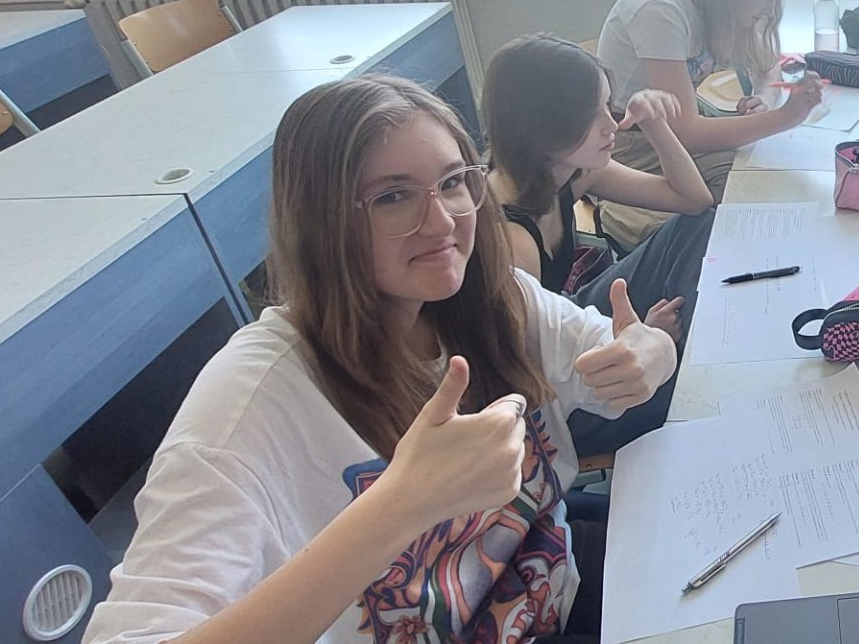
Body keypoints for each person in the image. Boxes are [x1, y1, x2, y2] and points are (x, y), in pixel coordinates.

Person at [85, 76, 676, 644]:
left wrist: (652, 351)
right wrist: (400, 505)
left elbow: (618, 351)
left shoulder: (498, 297)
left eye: (452, 182)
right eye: (393, 197)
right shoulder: (248, 407)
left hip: (552, 584)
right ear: (322, 221)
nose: (442, 221)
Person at [483, 33, 714, 454]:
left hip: (565, 320)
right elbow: (530, 375)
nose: (612, 124)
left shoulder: (569, 171)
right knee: (683, 381)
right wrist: (636, 343)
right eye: (594, 117)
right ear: (543, 128)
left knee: (698, 227)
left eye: (610, 106)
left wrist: (655, 125)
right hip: (551, 399)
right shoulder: (511, 241)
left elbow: (694, 201)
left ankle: (691, 338)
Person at [596, 0, 825, 249]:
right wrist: (785, 117)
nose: (768, 10)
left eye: (775, 0)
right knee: (734, 213)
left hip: (674, 125)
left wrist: (763, 97)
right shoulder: (661, 8)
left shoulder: (725, 2)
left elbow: (768, 65)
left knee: (773, 183)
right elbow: (687, 132)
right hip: (631, 141)